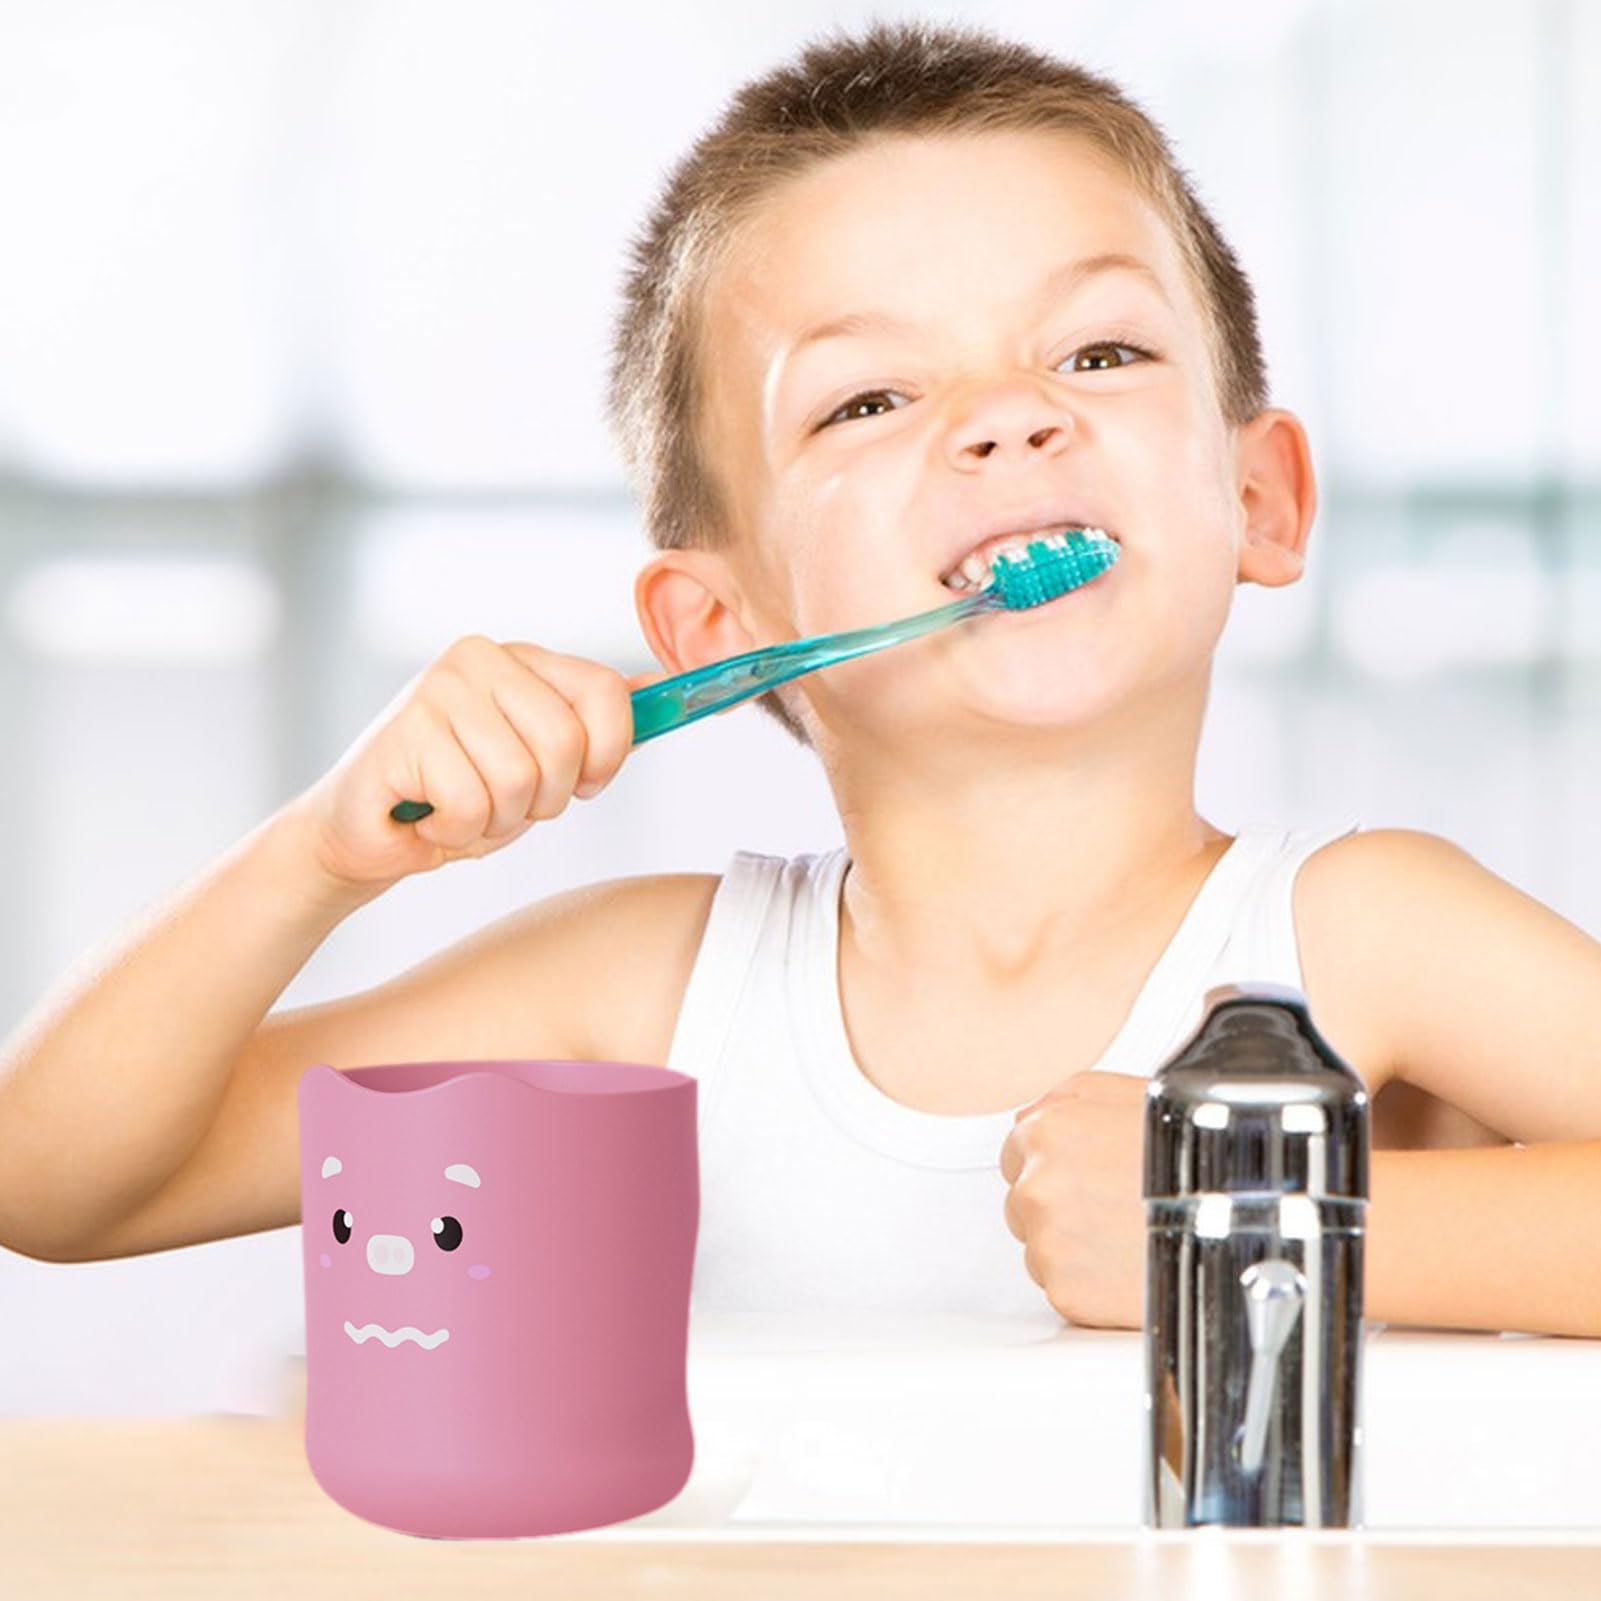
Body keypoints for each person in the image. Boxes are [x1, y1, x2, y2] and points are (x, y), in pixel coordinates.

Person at [4, 21, 1600, 1337]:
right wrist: (317, 856)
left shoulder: (1359, 935)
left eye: (1097, 354)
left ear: (1259, 499)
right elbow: (58, 1184)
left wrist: (1263, 1224)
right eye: (869, 398)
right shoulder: (650, 987)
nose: (1006, 416)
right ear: (713, 621)